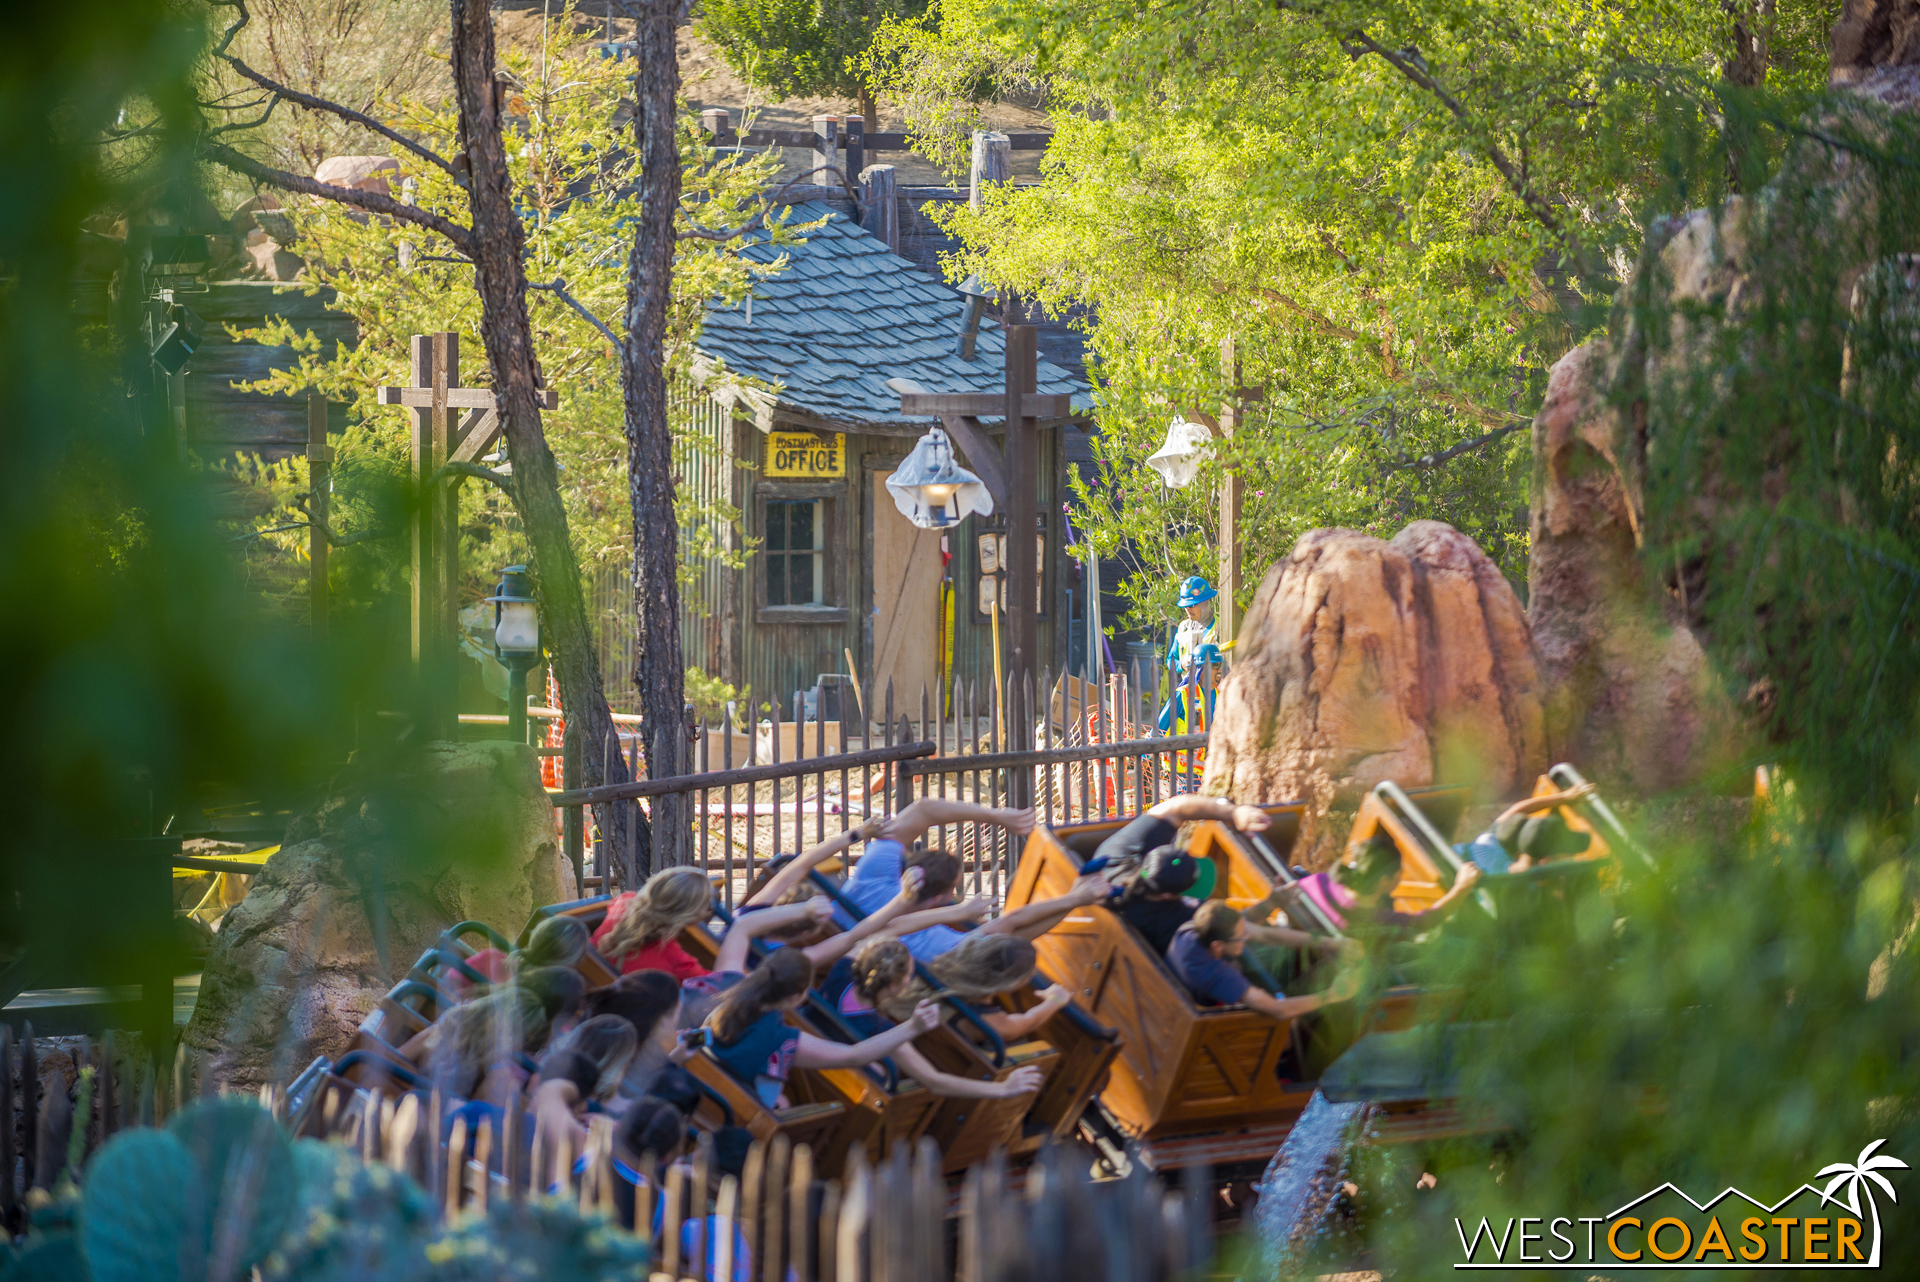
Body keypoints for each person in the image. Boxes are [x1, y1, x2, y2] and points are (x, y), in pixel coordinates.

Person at [685, 946, 941, 1109]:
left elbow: (694, 1040)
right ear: (796, 997)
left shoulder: (725, 987)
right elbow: (853, 1055)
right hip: (739, 1107)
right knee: (789, 1107)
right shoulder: (782, 1038)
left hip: (700, 1089)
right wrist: (912, 1027)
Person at [817, 938, 1046, 1100]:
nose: (913, 977)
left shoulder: (842, 969)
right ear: (894, 986)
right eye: (909, 974)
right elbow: (934, 1081)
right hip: (840, 1078)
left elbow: (878, 933)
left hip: (813, 1043)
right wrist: (1003, 1089)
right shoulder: (884, 1032)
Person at [1165, 901, 1358, 1019]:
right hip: (1201, 1016)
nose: (1246, 938)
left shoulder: (1192, 929)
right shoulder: (1216, 974)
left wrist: (1333, 943)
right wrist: (1335, 994)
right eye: (1240, 938)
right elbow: (1277, 1009)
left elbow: (1266, 935)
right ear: (1217, 946)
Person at [1281, 834, 1484, 938]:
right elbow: (1424, 922)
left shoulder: (1317, 881)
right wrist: (1461, 888)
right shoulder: (1369, 919)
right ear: (1385, 881)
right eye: (1399, 874)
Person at [878, 933, 1073, 1040]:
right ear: (1011, 983)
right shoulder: (984, 1021)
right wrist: (1055, 1000)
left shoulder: (931, 971)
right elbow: (1026, 1022)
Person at [594, 867, 715, 980]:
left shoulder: (623, 902)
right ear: (690, 913)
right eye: (706, 905)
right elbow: (721, 983)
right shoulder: (675, 960)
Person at [1455, 782, 1598, 874]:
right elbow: (1524, 871)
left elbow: (1517, 810)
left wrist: (1564, 797)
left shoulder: (1493, 838)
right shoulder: (1501, 870)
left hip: (1454, 855)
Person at [1158, 576, 1225, 734]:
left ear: (1206, 602)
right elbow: (1170, 660)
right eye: (1186, 606)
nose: (1188, 609)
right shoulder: (1183, 628)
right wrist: (1182, 664)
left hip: (1213, 693)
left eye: (1193, 605)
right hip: (1188, 695)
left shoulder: (1220, 628)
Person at [459, 915, 589, 988]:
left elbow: (447, 982)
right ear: (570, 964)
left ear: (537, 934)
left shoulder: (491, 958)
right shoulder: (550, 1003)